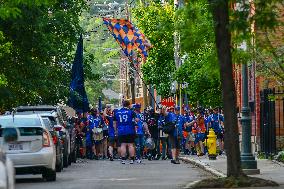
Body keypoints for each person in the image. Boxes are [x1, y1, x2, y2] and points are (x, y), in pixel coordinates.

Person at [114, 100, 137, 164]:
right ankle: (132, 159)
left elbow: (114, 123)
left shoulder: (117, 112)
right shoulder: (131, 112)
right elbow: (136, 120)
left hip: (121, 130)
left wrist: (116, 131)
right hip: (130, 130)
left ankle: (123, 159)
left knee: (123, 145)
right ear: (129, 105)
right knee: (130, 145)